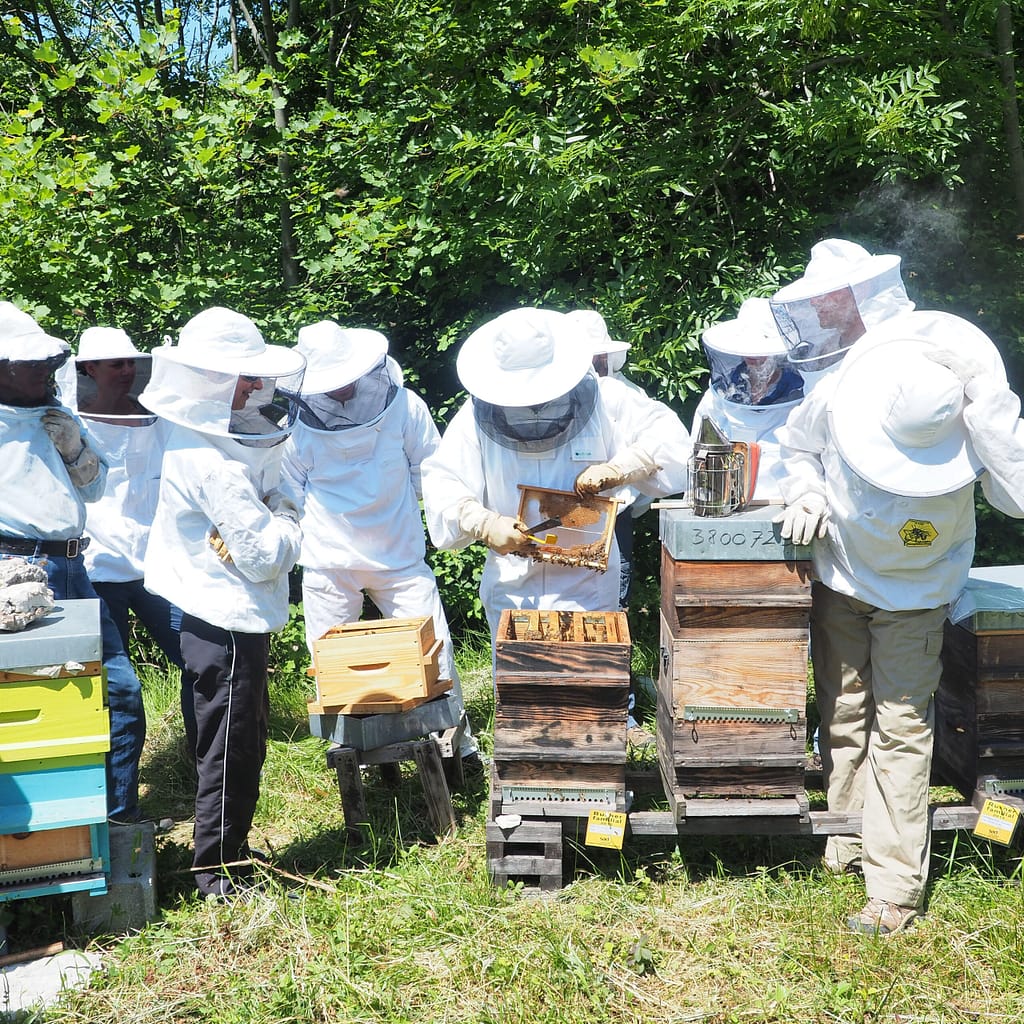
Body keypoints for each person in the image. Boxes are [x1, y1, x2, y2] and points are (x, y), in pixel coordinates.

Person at [774, 307, 1024, 935]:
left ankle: (892, 888)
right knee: (843, 707)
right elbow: (795, 446)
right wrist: (803, 489)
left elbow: (1019, 496)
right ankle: (845, 842)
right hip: (842, 579)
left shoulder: (975, 417)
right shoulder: (843, 389)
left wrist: (991, 403)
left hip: (917, 593)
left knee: (904, 727)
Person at [140, 306, 305, 900]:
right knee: (232, 746)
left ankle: (222, 856)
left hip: (220, 614)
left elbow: (274, 502)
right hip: (226, 618)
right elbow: (262, 555)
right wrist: (285, 521)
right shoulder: (209, 458)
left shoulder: (217, 438)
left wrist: (274, 513)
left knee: (230, 737)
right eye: (243, 376)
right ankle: (216, 874)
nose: (257, 386)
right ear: (208, 380)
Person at [421, 306, 690, 645]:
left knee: (589, 686)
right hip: (513, 582)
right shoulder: (474, 415)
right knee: (521, 688)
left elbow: (674, 444)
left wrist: (620, 468)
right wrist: (483, 523)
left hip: (588, 583)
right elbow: (443, 481)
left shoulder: (606, 397)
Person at [279, 320, 479, 763]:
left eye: (348, 377)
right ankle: (348, 741)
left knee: (435, 652)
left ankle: (457, 744)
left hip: (400, 555)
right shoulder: (294, 426)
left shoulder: (406, 407)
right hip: (329, 560)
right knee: (332, 662)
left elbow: (431, 474)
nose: (343, 390)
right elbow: (289, 496)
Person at [0, 302, 148, 828]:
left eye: (46, 363)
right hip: (13, 574)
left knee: (120, 692)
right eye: (29, 365)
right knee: (33, 702)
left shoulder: (56, 415)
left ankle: (115, 820)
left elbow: (95, 486)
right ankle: (44, 829)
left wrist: (74, 446)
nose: (43, 372)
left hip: (72, 569)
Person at [58, 328, 192, 752]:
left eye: (130, 362)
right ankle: (119, 807)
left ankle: (205, 767)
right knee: (118, 688)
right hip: (95, 568)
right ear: (89, 369)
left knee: (201, 662)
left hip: (158, 566)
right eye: (116, 363)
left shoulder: (159, 417)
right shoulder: (66, 423)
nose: (126, 371)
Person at [690, 296, 804, 502]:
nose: (753, 358)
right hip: (724, 502)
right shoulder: (719, 395)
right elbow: (698, 451)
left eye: (761, 352)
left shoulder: (800, 396)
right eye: (748, 351)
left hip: (783, 502)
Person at [769, 238, 915, 392]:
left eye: (824, 292)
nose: (813, 302)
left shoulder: (895, 346)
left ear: (861, 289)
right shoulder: (824, 349)